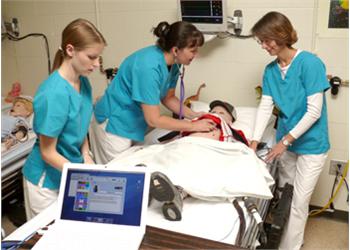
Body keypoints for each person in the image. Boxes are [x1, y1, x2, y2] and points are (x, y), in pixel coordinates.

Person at [249, 12, 330, 250]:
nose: (263, 46)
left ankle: (289, 247)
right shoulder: (271, 70)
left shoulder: (310, 63)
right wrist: (254, 141)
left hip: (311, 145)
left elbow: (314, 111)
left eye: (266, 40)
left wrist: (284, 141)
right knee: (286, 195)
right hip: (285, 141)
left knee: (299, 201)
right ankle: (284, 238)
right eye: (261, 41)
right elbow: (265, 105)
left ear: (281, 35)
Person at [90, 21, 216, 164]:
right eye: (193, 51)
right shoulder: (148, 66)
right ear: (176, 50)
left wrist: (194, 116)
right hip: (113, 124)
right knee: (113, 176)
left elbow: (168, 98)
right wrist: (193, 126)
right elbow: (153, 119)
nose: (196, 55)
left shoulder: (174, 64)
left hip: (133, 123)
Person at [22, 18, 106, 220]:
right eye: (92, 57)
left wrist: (86, 154)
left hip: (70, 172)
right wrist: (83, 173)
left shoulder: (83, 83)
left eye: (99, 58)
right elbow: (47, 152)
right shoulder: (53, 94)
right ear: (70, 50)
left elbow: (80, 127)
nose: (97, 64)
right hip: (46, 182)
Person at [150, 100, 248, 221]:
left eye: (221, 113)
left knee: (195, 167)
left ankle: (176, 195)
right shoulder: (192, 125)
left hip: (206, 149)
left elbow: (241, 149)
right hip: (184, 145)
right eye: (212, 111)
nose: (215, 114)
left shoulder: (232, 132)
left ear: (230, 121)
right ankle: (151, 185)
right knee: (164, 158)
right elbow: (174, 139)